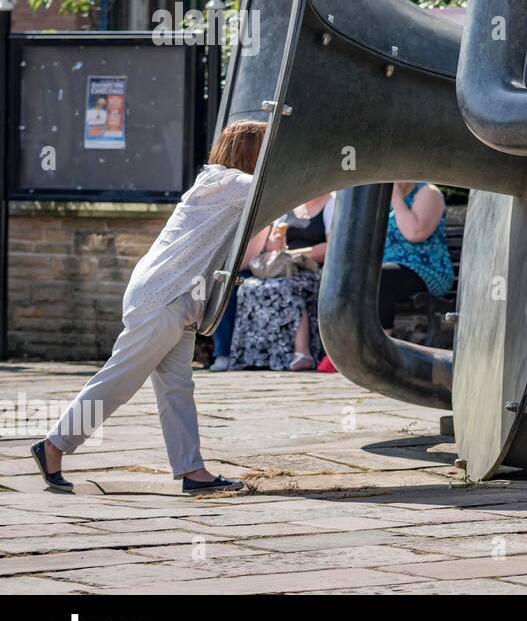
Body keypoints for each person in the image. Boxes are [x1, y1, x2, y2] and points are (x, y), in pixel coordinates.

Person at [30, 119, 269, 496]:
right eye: (267, 150)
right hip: (163, 299)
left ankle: (192, 471)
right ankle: (54, 445)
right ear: (253, 153)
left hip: (175, 301)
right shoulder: (227, 184)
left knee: (176, 389)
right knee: (118, 382)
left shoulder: (219, 185)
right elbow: (277, 190)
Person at [227, 193, 333, 372]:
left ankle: (302, 353)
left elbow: (331, 246)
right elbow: (271, 247)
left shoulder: (331, 204)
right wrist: (276, 242)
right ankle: (252, 354)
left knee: (288, 288)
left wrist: (295, 254)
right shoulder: (290, 203)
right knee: (248, 287)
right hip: (281, 268)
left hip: (312, 269)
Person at [379, 182, 453, 333]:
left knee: (380, 277)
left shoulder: (428, 192)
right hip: (391, 268)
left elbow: (415, 233)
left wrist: (395, 197)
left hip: (426, 270)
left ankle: (378, 347)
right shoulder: (383, 202)